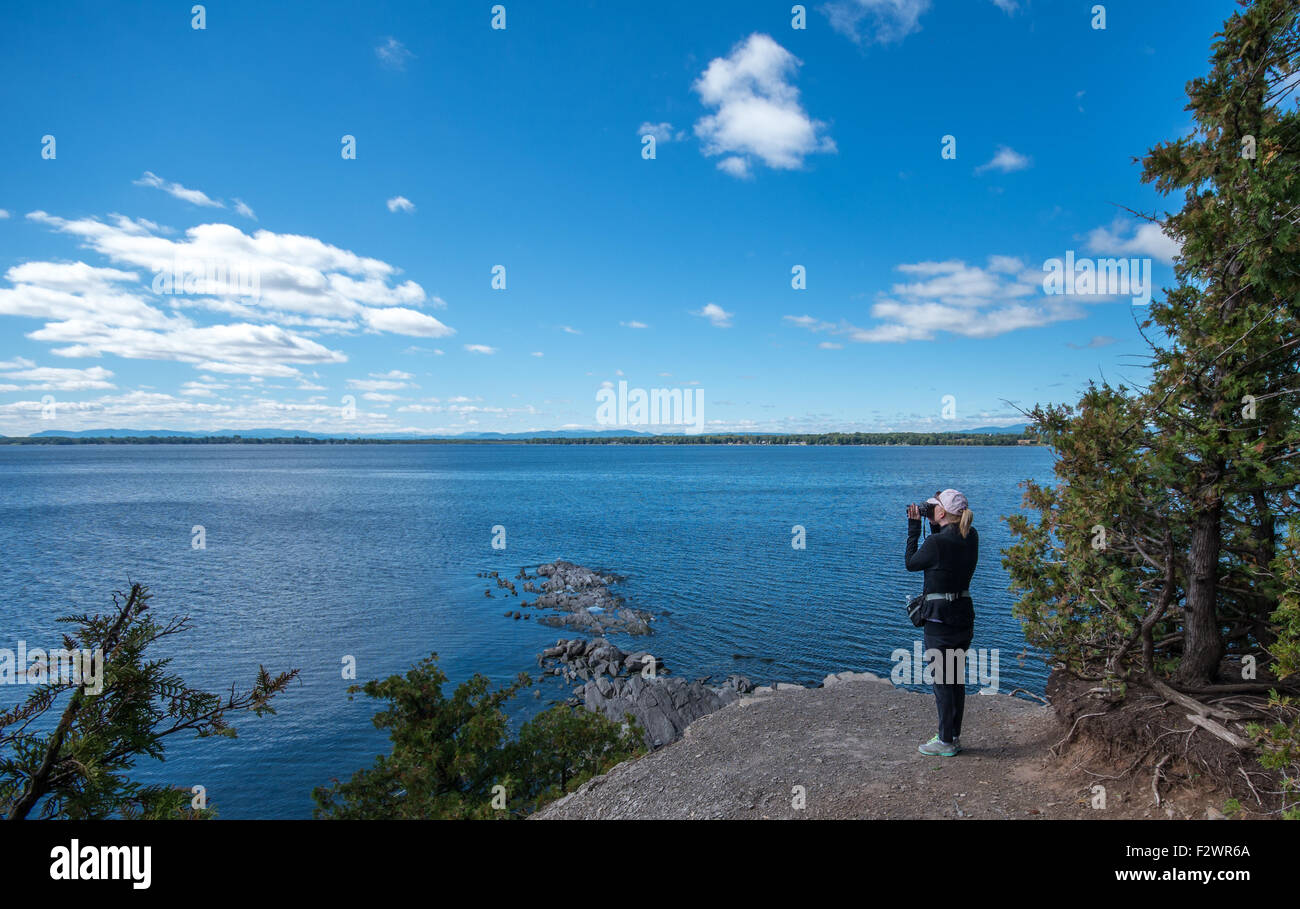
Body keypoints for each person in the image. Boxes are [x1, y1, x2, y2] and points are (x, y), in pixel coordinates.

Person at [905, 489, 978, 757]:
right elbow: (944, 553)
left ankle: (945, 741)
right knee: (955, 679)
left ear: (942, 512)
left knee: (942, 682)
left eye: (933, 507)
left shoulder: (937, 544)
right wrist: (934, 524)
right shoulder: (970, 535)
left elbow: (911, 563)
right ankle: (952, 735)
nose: (929, 510)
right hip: (963, 617)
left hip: (939, 620)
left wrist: (914, 529)